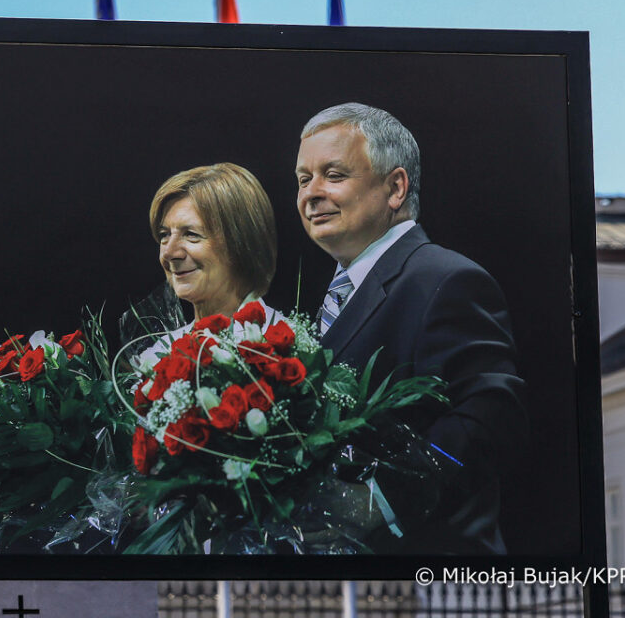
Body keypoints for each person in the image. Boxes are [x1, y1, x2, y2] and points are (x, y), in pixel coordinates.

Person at [294, 102, 525, 554]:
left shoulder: (445, 279)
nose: (311, 194)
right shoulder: (332, 294)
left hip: (435, 580)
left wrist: (381, 500)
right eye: (303, 180)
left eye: (333, 175)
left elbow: (494, 417)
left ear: (395, 187)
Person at [121, 163, 278, 350]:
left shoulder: (292, 352)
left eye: (191, 234)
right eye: (164, 235)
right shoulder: (157, 356)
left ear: (241, 241)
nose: (170, 253)